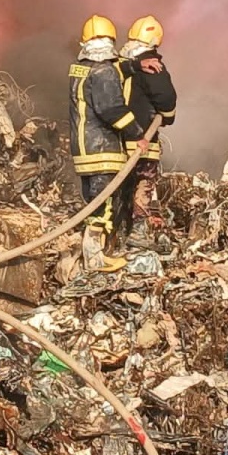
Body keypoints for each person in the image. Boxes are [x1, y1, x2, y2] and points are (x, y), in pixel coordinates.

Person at [69, 15, 153, 271]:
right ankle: (95, 260)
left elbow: (109, 72)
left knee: (93, 202)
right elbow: (112, 109)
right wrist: (137, 133)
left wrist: (135, 67)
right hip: (102, 150)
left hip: (83, 149)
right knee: (102, 206)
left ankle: (95, 255)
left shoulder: (80, 67)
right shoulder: (104, 71)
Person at [117, 15, 177, 248]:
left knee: (122, 188)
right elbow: (166, 97)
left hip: (118, 139)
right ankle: (138, 234)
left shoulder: (121, 63)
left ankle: (118, 233)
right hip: (143, 139)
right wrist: (167, 117)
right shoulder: (151, 64)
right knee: (143, 183)